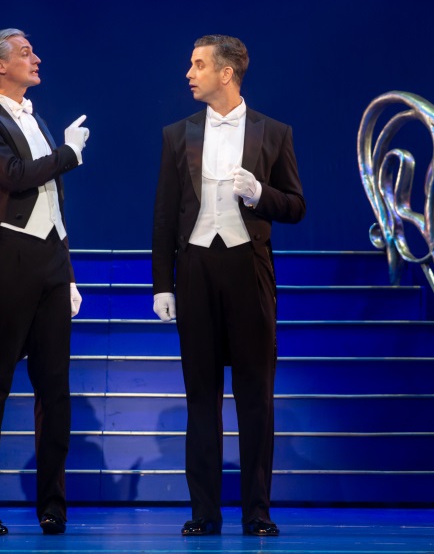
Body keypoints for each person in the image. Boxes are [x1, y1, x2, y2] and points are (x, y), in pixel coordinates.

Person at [151, 34, 306, 537]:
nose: (189, 73)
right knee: (201, 394)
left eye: (198, 65)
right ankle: (204, 512)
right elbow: (163, 215)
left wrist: (261, 194)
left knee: (256, 395)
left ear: (226, 73)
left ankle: (257, 512)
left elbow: (296, 206)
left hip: (248, 269)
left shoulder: (274, 132)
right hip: (195, 268)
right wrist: (162, 284)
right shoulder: (177, 134)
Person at [0, 28, 89, 536]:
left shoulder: (36, 118)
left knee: (55, 388)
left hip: (51, 260)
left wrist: (67, 272)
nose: (37, 58)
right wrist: (68, 154)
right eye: (26, 52)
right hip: (10, 259)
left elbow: (52, 202)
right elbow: (14, 175)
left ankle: (53, 505)